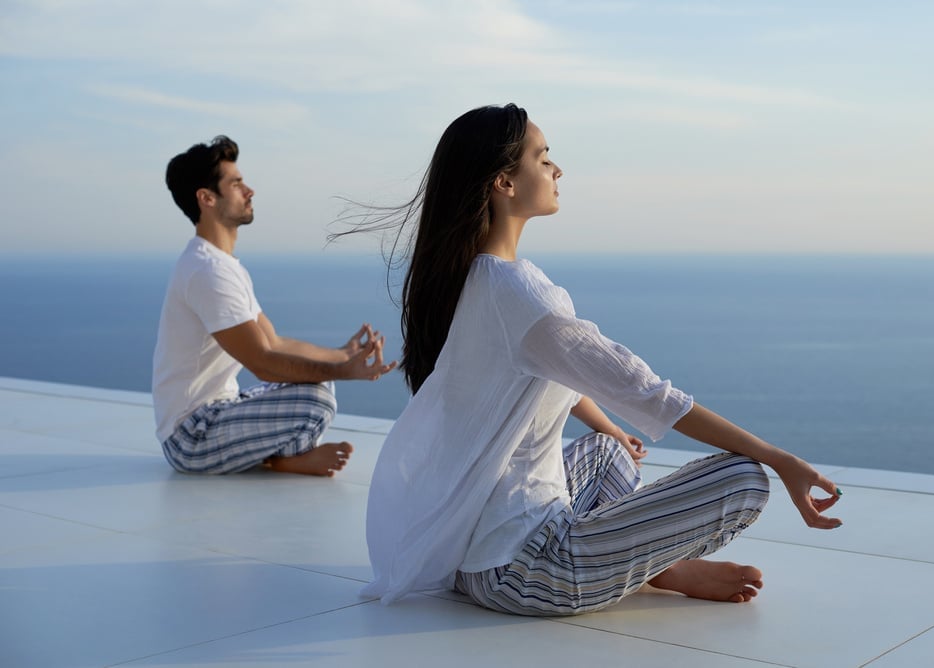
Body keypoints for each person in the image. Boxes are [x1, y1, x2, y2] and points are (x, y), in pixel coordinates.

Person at [354, 104, 843, 616]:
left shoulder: (470, 280)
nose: (557, 170)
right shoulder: (519, 292)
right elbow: (652, 397)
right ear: (504, 182)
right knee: (745, 479)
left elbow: (543, 373)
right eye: (543, 159)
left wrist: (607, 424)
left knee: (610, 449)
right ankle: (660, 568)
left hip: (470, 553)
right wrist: (780, 460)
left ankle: (647, 565)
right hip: (529, 572)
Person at [153, 135, 396, 477]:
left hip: (220, 410)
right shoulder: (207, 271)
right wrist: (345, 370)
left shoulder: (221, 265)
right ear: (207, 198)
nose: (249, 190)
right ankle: (280, 461)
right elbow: (263, 363)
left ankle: (280, 457)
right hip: (192, 437)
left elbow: (276, 343)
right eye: (236, 184)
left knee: (319, 383)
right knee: (316, 400)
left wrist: (341, 355)